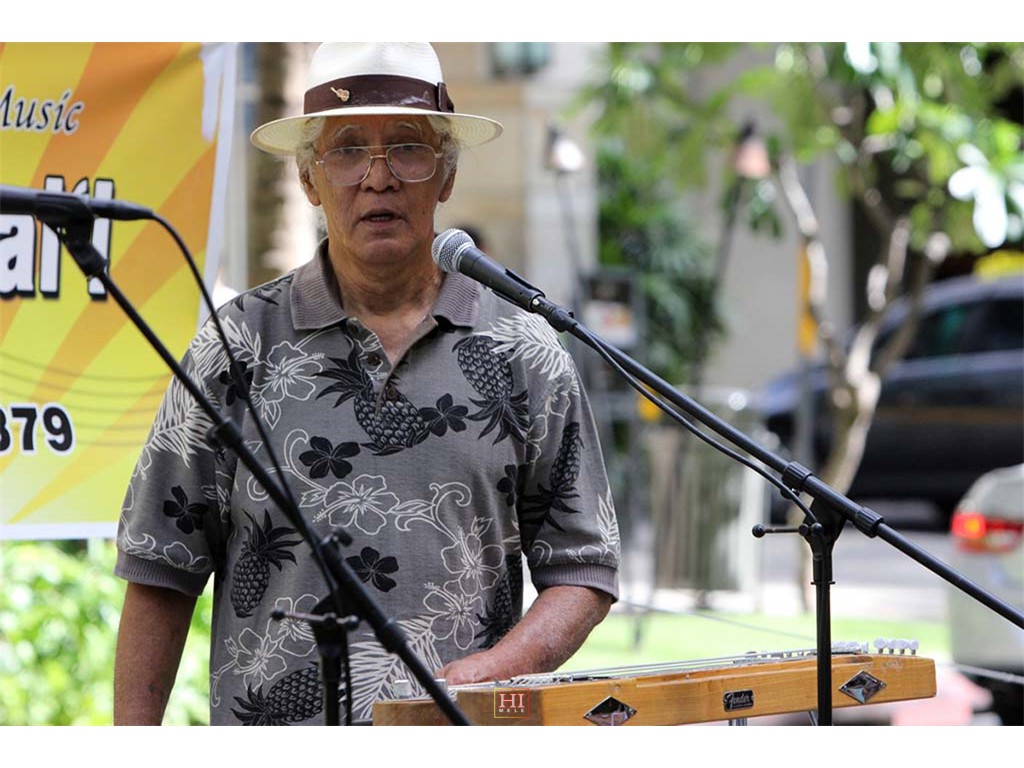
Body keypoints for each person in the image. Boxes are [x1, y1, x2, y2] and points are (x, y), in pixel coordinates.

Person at [112, 42, 620, 726]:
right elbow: (161, 567)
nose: (378, 178)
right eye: (348, 150)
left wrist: (493, 671)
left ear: (446, 174)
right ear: (309, 179)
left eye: (407, 148)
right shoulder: (236, 345)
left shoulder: (524, 351)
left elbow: (583, 567)